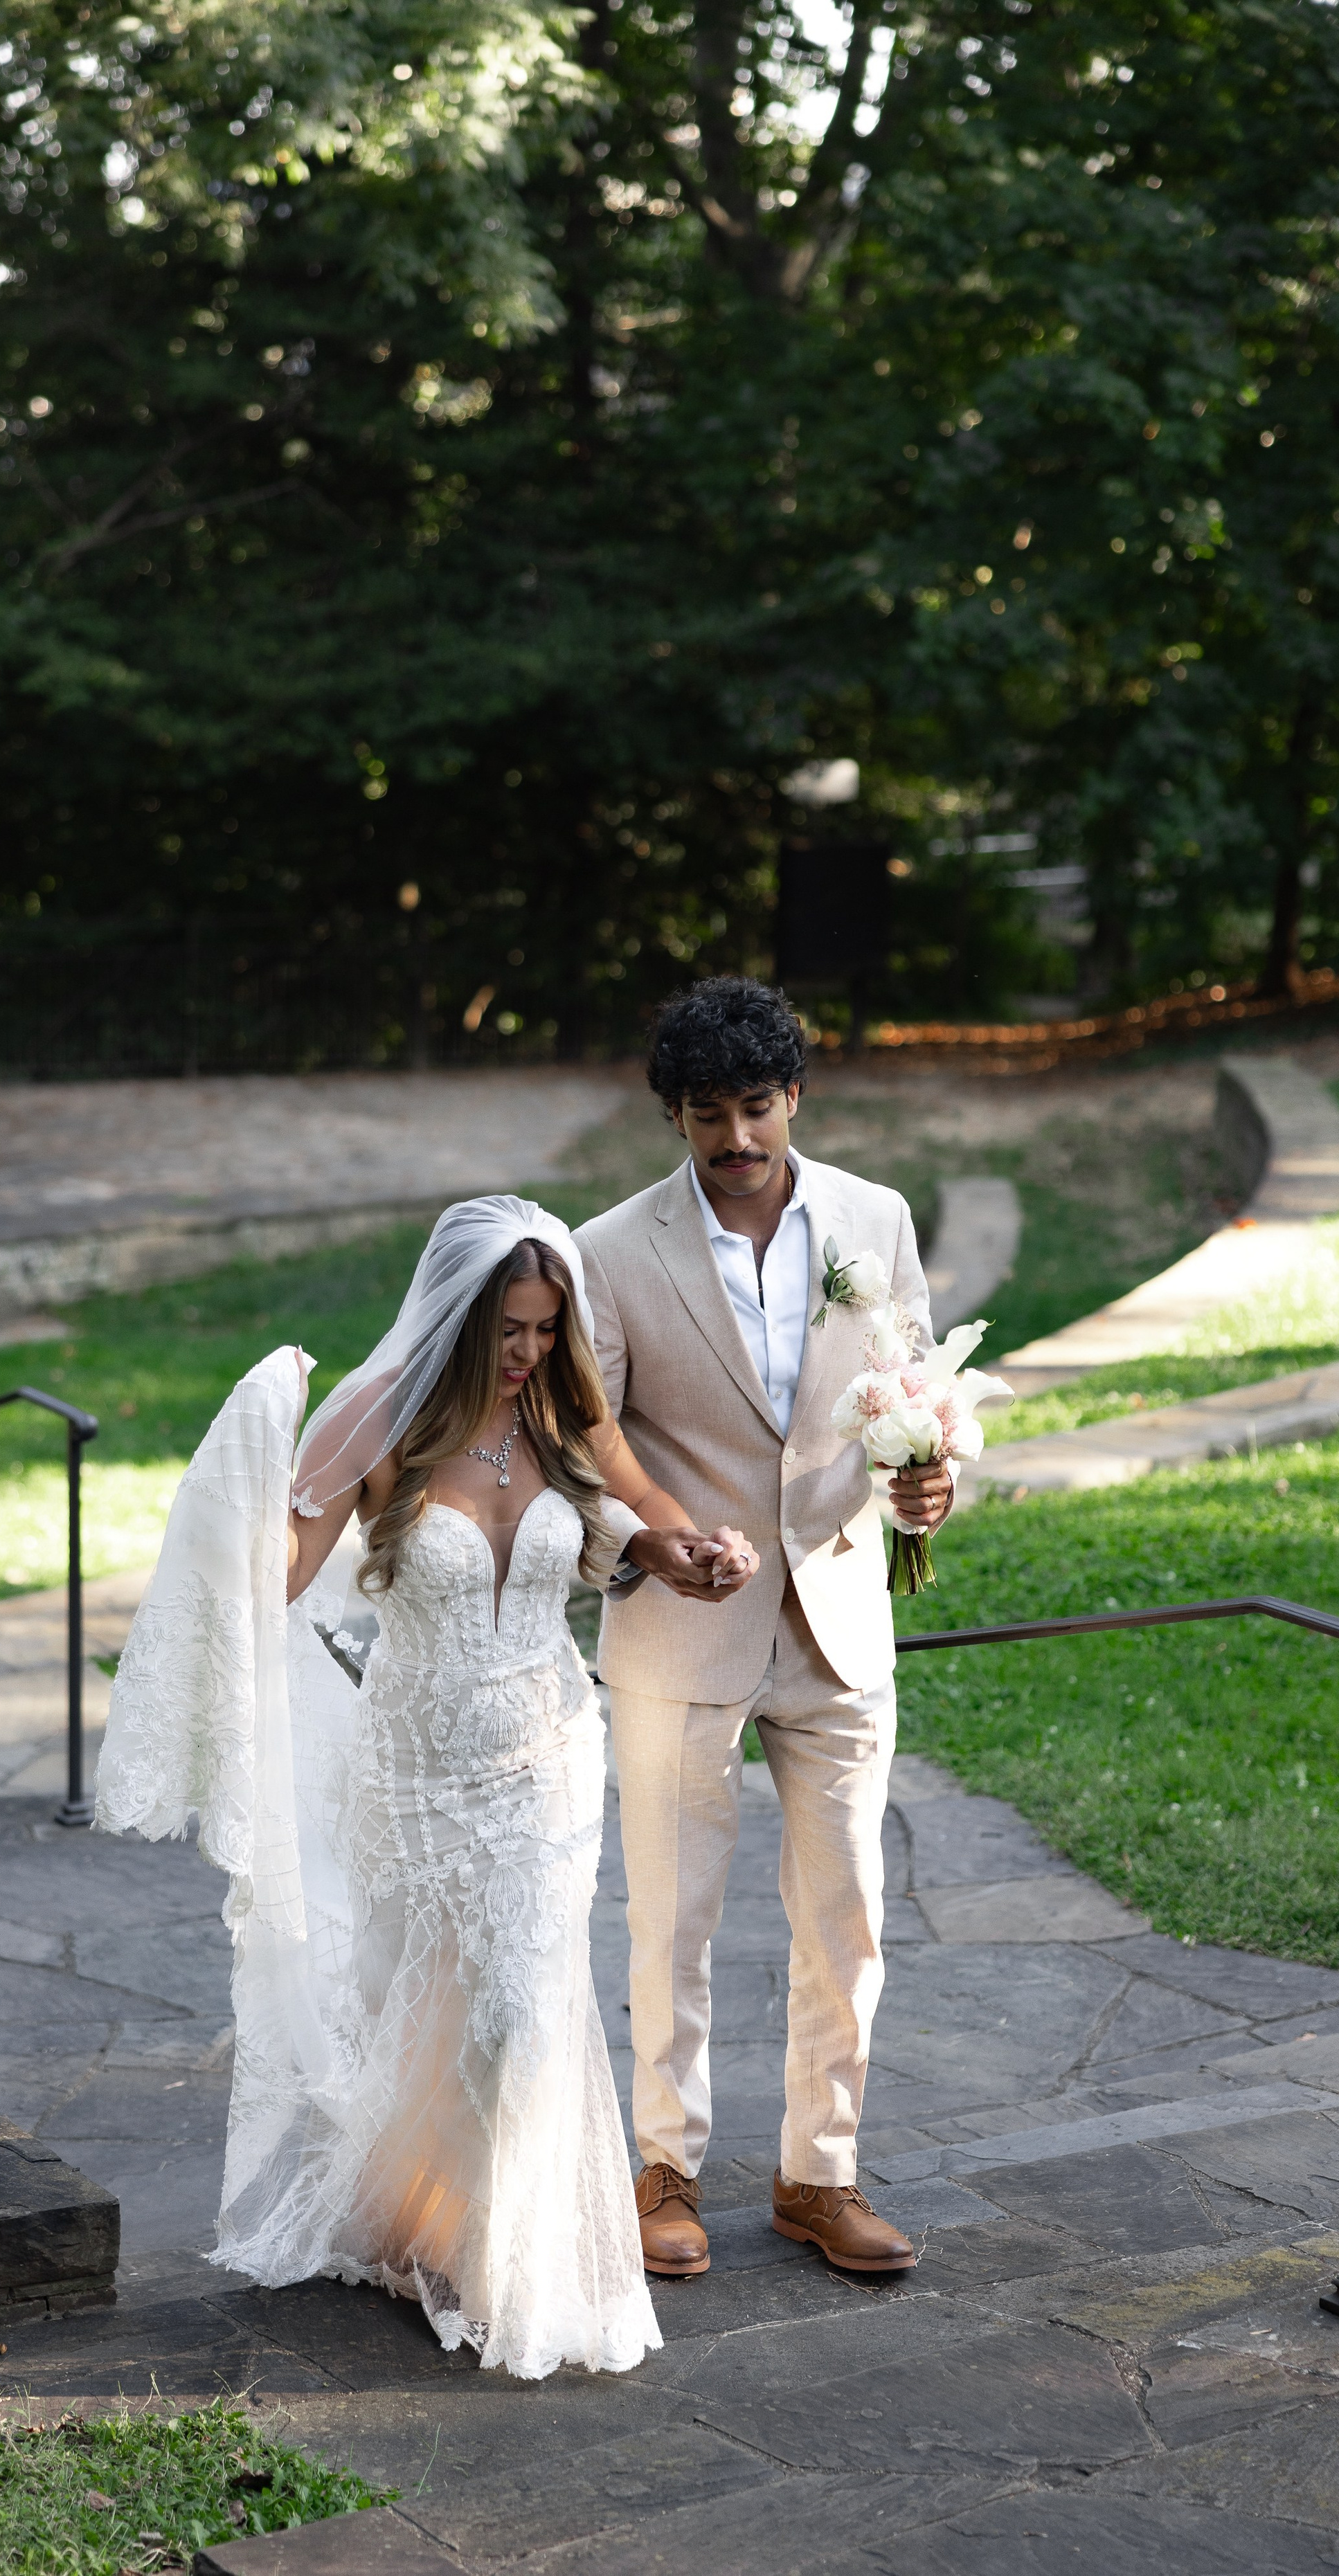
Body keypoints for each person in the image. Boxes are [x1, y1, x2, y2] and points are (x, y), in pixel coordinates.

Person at [93, 1195, 757, 2379]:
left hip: (550, 1752)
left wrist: (694, 1550)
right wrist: (256, 1489)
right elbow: (281, 1581)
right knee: (441, 2003)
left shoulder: (558, 1406)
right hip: (419, 1766)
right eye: (512, 1328)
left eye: (550, 1328)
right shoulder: (379, 1421)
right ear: (457, 1314)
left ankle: (507, 2256)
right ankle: (426, 2222)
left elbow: (644, 1507)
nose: (531, 1351)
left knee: (521, 2005)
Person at [574, 977, 953, 2280]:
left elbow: (918, 1391)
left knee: (846, 1917)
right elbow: (586, 1444)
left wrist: (935, 1482)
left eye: (753, 1107)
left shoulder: (875, 1218)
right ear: (673, 1119)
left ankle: (819, 2176)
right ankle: (664, 2167)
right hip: (684, 1627)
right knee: (670, 1918)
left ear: (795, 1095)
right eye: (704, 1116)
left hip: (842, 1615)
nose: (733, 1139)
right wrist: (646, 1540)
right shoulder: (610, 1250)